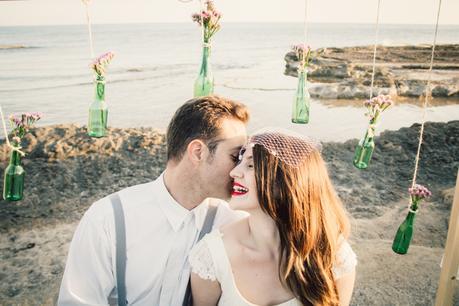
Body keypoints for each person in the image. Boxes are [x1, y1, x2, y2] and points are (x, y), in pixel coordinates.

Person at [58, 95, 250, 305]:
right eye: (235, 157)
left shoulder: (234, 222)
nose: (240, 170)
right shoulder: (107, 219)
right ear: (198, 152)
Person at [189, 131, 357, 306]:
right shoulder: (212, 256)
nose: (234, 172)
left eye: (251, 166)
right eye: (239, 161)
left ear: (286, 181)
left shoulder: (333, 253)